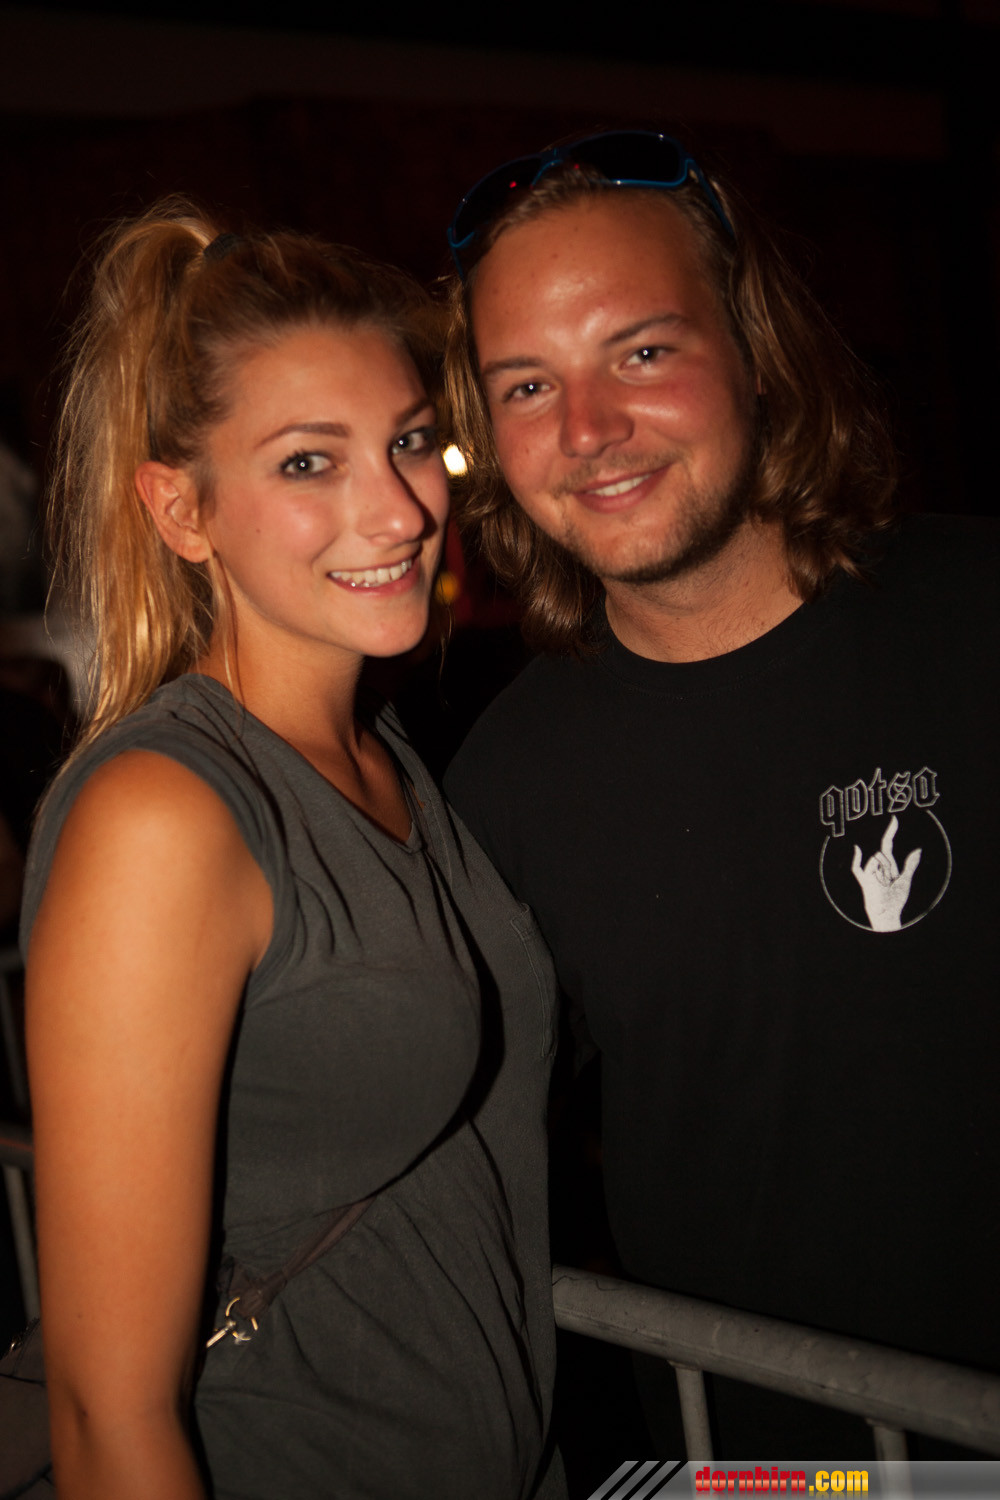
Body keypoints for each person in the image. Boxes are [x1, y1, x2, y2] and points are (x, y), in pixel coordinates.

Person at [442, 132, 1000, 1454]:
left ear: (755, 348)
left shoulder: (981, 616)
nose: (588, 431)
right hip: (769, 1475)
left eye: (642, 352)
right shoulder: (503, 786)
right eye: (529, 384)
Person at [22, 202, 565, 1499]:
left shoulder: (387, 757)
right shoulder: (164, 817)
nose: (399, 510)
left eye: (411, 441)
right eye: (309, 463)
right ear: (182, 509)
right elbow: (106, 1414)